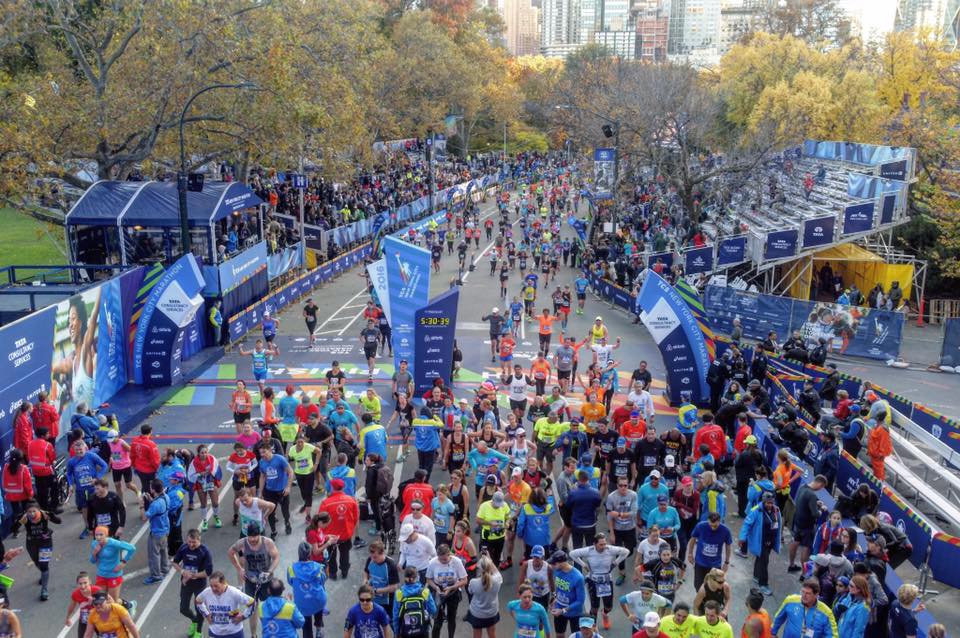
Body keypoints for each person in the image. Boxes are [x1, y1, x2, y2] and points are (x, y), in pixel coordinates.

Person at [571, 533, 630, 629]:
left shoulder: (610, 549)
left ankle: (605, 614)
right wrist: (584, 565)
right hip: (593, 581)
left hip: (606, 580)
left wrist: (615, 563)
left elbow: (626, 551)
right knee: (594, 608)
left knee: (609, 607)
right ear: (594, 544)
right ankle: (592, 626)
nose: (603, 547)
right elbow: (572, 554)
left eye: (604, 544)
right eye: (601, 544)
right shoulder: (589, 551)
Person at [172, 528, 214, 638]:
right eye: (189, 541)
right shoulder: (183, 548)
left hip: (199, 584)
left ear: (199, 539)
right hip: (186, 583)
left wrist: (193, 575)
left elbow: (208, 572)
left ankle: (199, 632)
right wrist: (182, 571)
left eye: (193, 542)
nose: (191, 544)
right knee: (183, 608)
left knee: (199, 608)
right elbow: (175, 563)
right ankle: (194, 621)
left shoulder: (205, 551)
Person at [739, 492, 781, 596]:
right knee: (764, 561)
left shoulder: (776, 510)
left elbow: (778, 524)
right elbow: (747, 524)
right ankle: (763, 584)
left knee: (761, 558)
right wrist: (742, 538)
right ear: (763, 501)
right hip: (760, 541)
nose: (769, 505)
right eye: (767, 503)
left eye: (771, 503)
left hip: (770, 541)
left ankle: (756, 576)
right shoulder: (755, 510)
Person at [787, 475, 828, 574]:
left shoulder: (803, 487)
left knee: (795, 542)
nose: (820, 489)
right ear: (820, 483)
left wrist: (815, 503)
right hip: (807, 525)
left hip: (798, 522)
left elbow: (803, 502)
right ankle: (804, 573)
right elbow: (815, 514)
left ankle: (791, 565)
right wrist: (821, 510)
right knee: (807, 547)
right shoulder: (812, 495)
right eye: (821, 487)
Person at [195, 571, 255, 638]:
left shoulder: (234, 592)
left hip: (234, 632)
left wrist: (243, 616)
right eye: (211, 586)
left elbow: (252, 603)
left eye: (216, 586)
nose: (213, 589)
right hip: (215, 632)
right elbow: (198, 601)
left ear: (223, 582)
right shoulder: (207, 592)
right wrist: (206, 614)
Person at [426, 544, 468, 638]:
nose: (442, 562)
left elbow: (464, 580)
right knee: (437, 621)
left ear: (450, 555)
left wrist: (452, 587)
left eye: (445, 559)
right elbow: (428, 579)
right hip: (439, 590)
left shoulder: (456, 562)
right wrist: (436, 588)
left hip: (453, 591)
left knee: (451, 618)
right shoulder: (433, 562)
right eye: (440, 559)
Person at [772, 579, 838, 638]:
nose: (804, 596)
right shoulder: (790, 600)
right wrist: (772, 633)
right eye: (803, 592)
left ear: (816, 594)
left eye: (808, 593)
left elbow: (833, 635)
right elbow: (778, 618)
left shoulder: (826, 612)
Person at [686, 512, 732, 591]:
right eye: (711, 525)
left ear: (719, 521)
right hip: (700, 563)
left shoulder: (725, 531)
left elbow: (728, 546)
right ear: (708, 521)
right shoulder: (700, 526)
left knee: (714, 587)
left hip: (715, 565)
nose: (713, 528)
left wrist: (726, 562)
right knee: (698, 586)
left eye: (715, 526)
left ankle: (710, 602)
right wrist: (690, 554)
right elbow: (693, 539)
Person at [258, 442, 294, 537]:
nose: (262, 455)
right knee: (270, 512)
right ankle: (273, 531)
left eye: (264, 452)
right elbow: (262, 476)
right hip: (269, 491)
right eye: (260, 453)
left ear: (270, 450)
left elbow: (290, 472)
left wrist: (288, 487)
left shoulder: (280, 459)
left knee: (285, 511)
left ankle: (287, 523)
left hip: (282, 491)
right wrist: (260, 492)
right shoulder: (261, 462)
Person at [548, 550, 587, 638]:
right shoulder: (557, 571)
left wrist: (563, 610)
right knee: (559, 635)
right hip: (559, 609)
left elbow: (580, 601)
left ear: (561, 563)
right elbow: (558, 587)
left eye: (554, 564)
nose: (552, 566)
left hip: (574, 613)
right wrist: (555, 598)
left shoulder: (578, 577)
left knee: (576, 636)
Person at [465, 557, 502, 638]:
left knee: (477, 635)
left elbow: (470, 591)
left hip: (477, 613)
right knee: (492, 634)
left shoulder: (474, 582)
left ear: (479, 569)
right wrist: (490, 559)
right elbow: (496, 571)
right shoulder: (497, 580)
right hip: (492, 613)